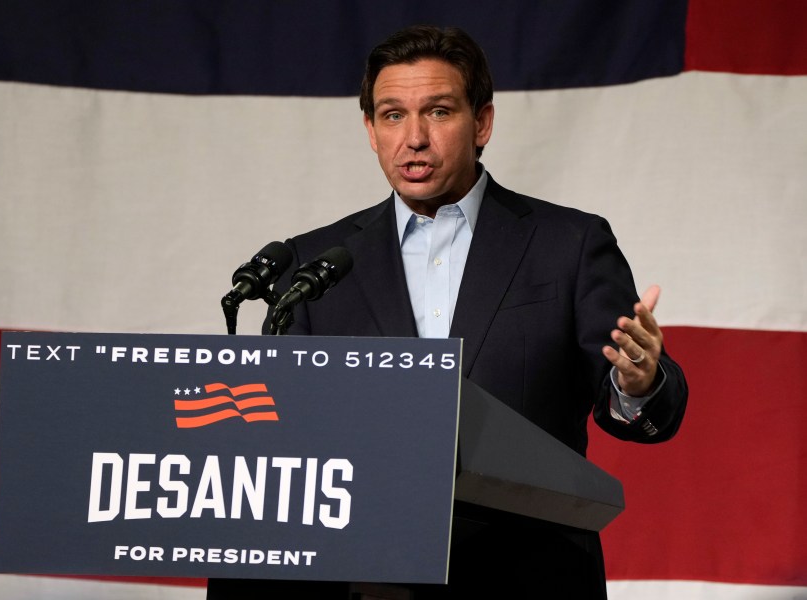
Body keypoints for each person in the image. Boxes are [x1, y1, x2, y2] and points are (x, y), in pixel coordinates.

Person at [208, 24, 687, 600]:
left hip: (526, 573)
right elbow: (284, 434)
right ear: (369, 129)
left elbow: (627, 397)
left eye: (437, 112)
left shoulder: (570, 244)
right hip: (363, 577)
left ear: (481, 123)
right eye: (391, 115)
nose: (413, 137)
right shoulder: (314, 263)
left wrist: (635, 382)